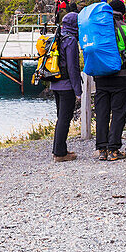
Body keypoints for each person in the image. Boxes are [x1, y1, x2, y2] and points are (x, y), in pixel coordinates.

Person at [94, 0, 126, 161]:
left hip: (100, 76)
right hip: (121, 75)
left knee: (102, 113)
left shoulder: (98, 28)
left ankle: (101, 149)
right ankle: (113, 149)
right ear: (122, 13)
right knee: (119, 113)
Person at [50, 12, 82, 162]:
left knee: (60, 118)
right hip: (66, 86)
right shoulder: (70, 41)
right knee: (65, 119)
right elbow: (73, 68)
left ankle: (58, 149)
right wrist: (78, 91)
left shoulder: (57, 37)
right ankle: (60, 153)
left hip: (55, 83)